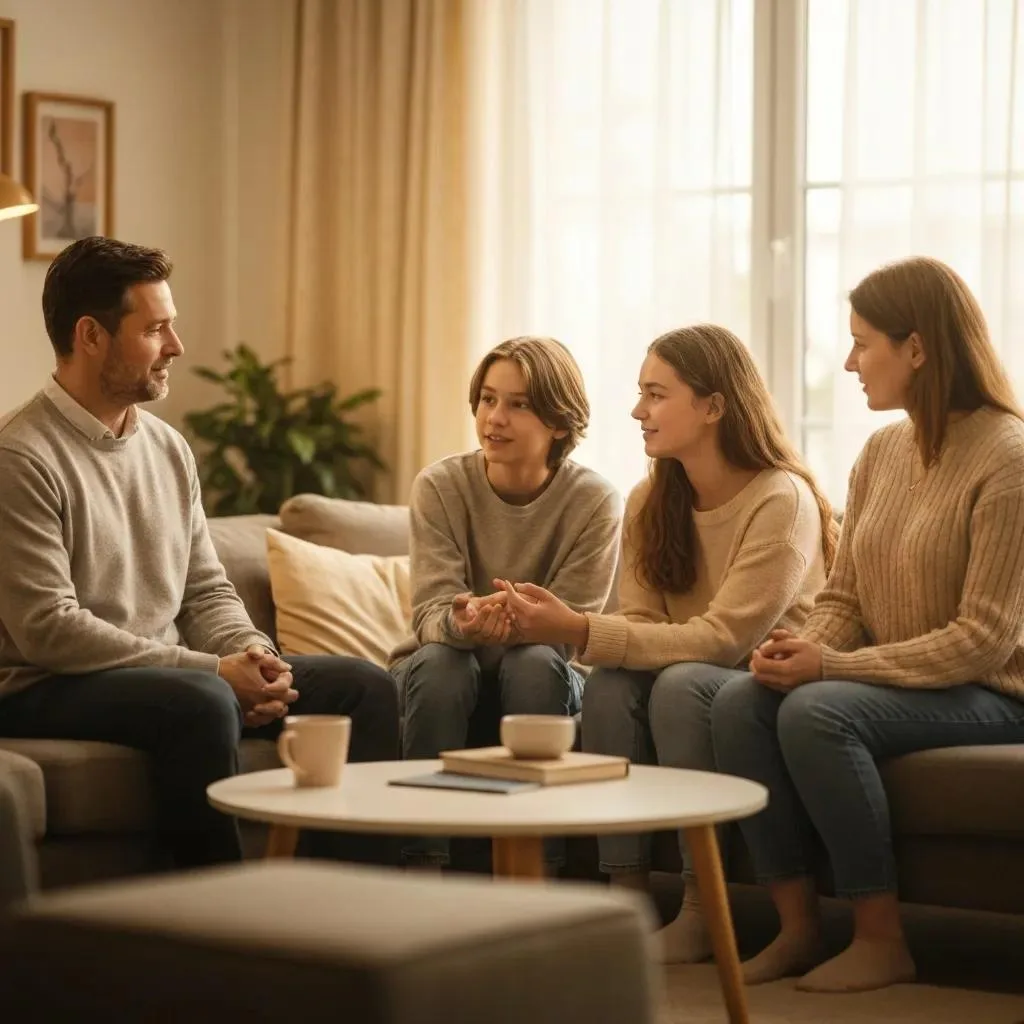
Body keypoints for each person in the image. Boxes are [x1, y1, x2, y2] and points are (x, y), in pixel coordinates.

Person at [0, 236, 400, 870]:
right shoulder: (20, 457)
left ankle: (351, 904)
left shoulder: (166, 446)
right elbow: (50, 630)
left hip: (158, 675)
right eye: (156, 329)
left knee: (365, 687)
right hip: (45, 684)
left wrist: (255, 656)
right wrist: (211, 672)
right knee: (204, 701)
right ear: (91, 336)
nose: (177, 347)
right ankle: (207, 928)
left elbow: (204, 590)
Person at [708, 256, 1024, 993]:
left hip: (995, 692)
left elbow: (983, 638)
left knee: (818, 710)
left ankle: (881, 937)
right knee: (739, 701)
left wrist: (831, 669)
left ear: (916, 348)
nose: (849, 362)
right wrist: (803, 646)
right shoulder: (881, 451)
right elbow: (847, 595)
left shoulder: (1009, 459)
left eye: (862, 343)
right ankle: (796, 929)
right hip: (908, 680)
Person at [501, 323, 835, 961]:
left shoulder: (780, 499)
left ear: (713, 406)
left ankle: (701, 908)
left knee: (681, 685)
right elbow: (646, 627)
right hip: (701, 667)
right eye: (639, 393)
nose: (637, 411)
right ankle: (625, 898)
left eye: (656, 394)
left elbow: (722, 640)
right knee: (611, 686)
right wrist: (590, 635)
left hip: (764, 679)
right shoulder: (653, 496)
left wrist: (575, 627)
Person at [390, 336, 621, 868]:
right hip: (441, 664)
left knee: (536, 663)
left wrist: (523, 626)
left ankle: (534, 867)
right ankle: (421, 865)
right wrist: (466, 623)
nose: (495, 418)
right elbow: (429, 614)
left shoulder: (594, 501)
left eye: (518, 405)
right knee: (442, 663)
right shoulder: (440, 486)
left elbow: (572, 629)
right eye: (488, 399)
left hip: (543, 667)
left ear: (560, 423)